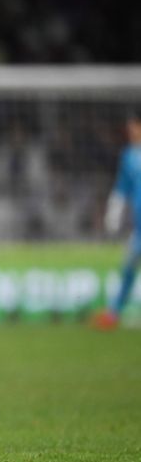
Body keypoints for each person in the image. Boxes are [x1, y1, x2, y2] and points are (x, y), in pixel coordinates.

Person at [95, 109, 141, 330]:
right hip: (139, 229)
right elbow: (122, 188)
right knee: (128, 266)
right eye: (129, 128)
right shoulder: (129, 156)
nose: (131, 132)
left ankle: (113, 311)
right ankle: (113, 313)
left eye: (134, 127)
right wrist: (114, 213)